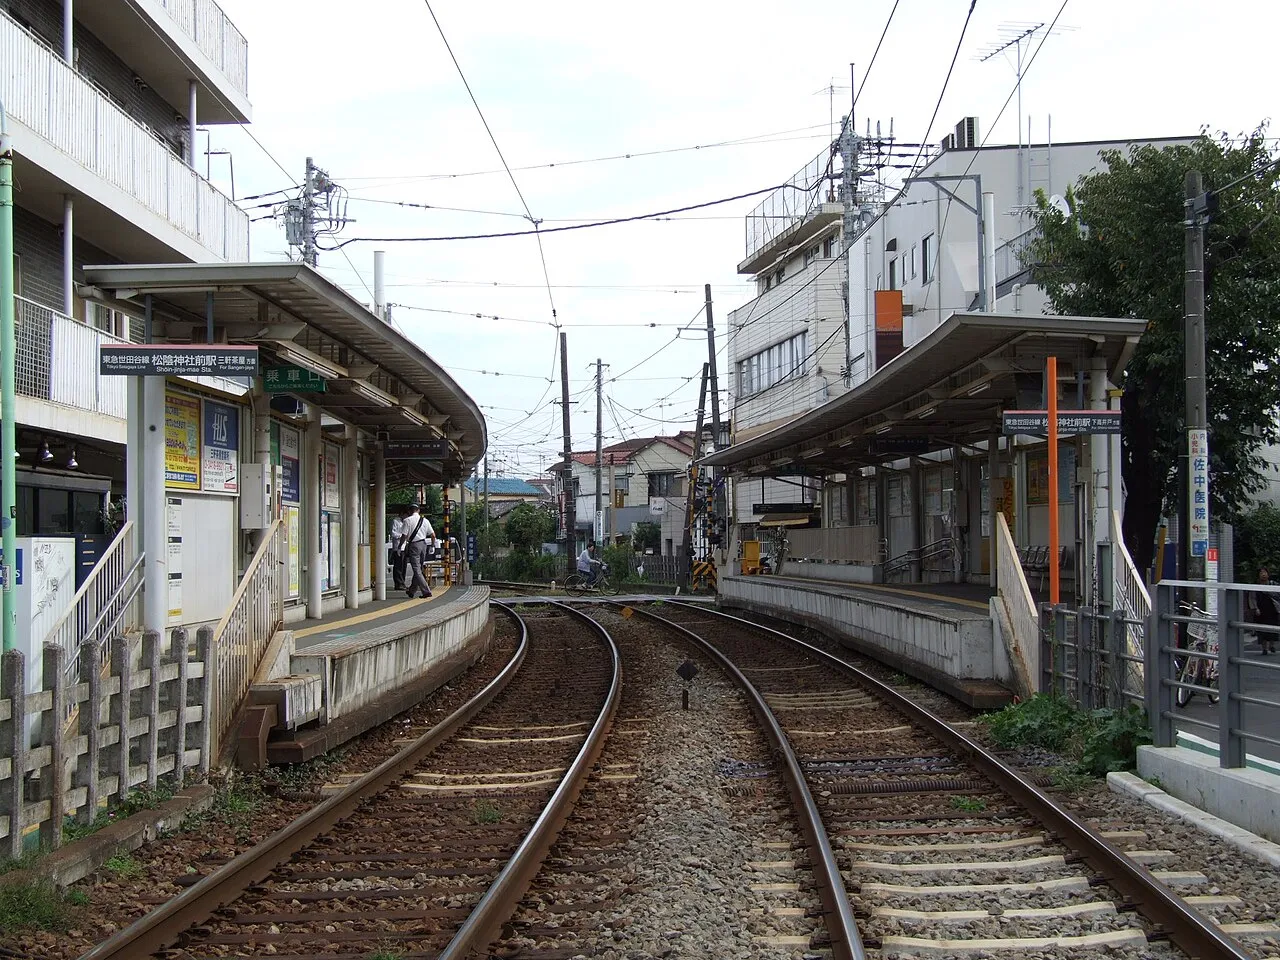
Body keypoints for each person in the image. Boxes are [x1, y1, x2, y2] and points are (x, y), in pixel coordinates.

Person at [399, 503, 435, 599]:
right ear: (418, 510)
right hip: (424, 545)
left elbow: (404, 536)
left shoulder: (407, 521)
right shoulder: (425, 521)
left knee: (416, 569)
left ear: (410, 511)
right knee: (419, 568)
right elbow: (433, 535)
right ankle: (412, 590)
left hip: (414, 545)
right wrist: (432, 545)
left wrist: (399, 546)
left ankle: (426, 591)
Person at [1250, 567, 1279, 655]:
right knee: (1262, 630)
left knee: (1273, 627)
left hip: (1272, 608)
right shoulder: (1256, 586)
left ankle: (1272, 645)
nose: (1263, 574)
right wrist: (1255, 608)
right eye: (1261, 573)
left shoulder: (1273, 584)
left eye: (1265, 572)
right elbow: (1252, 598)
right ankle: (1264, 648)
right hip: (1261, 610)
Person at [390, 505, 411, 591]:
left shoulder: (406, 522)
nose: (406, 517)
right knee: (398, 567)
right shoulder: (395, 521)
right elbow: (393, 533)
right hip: (397, 547)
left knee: (403, 566)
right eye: (406, 514)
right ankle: (398, 584)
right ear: (402, 514)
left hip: (404, 546)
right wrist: (402, 536)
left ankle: (402, 583)